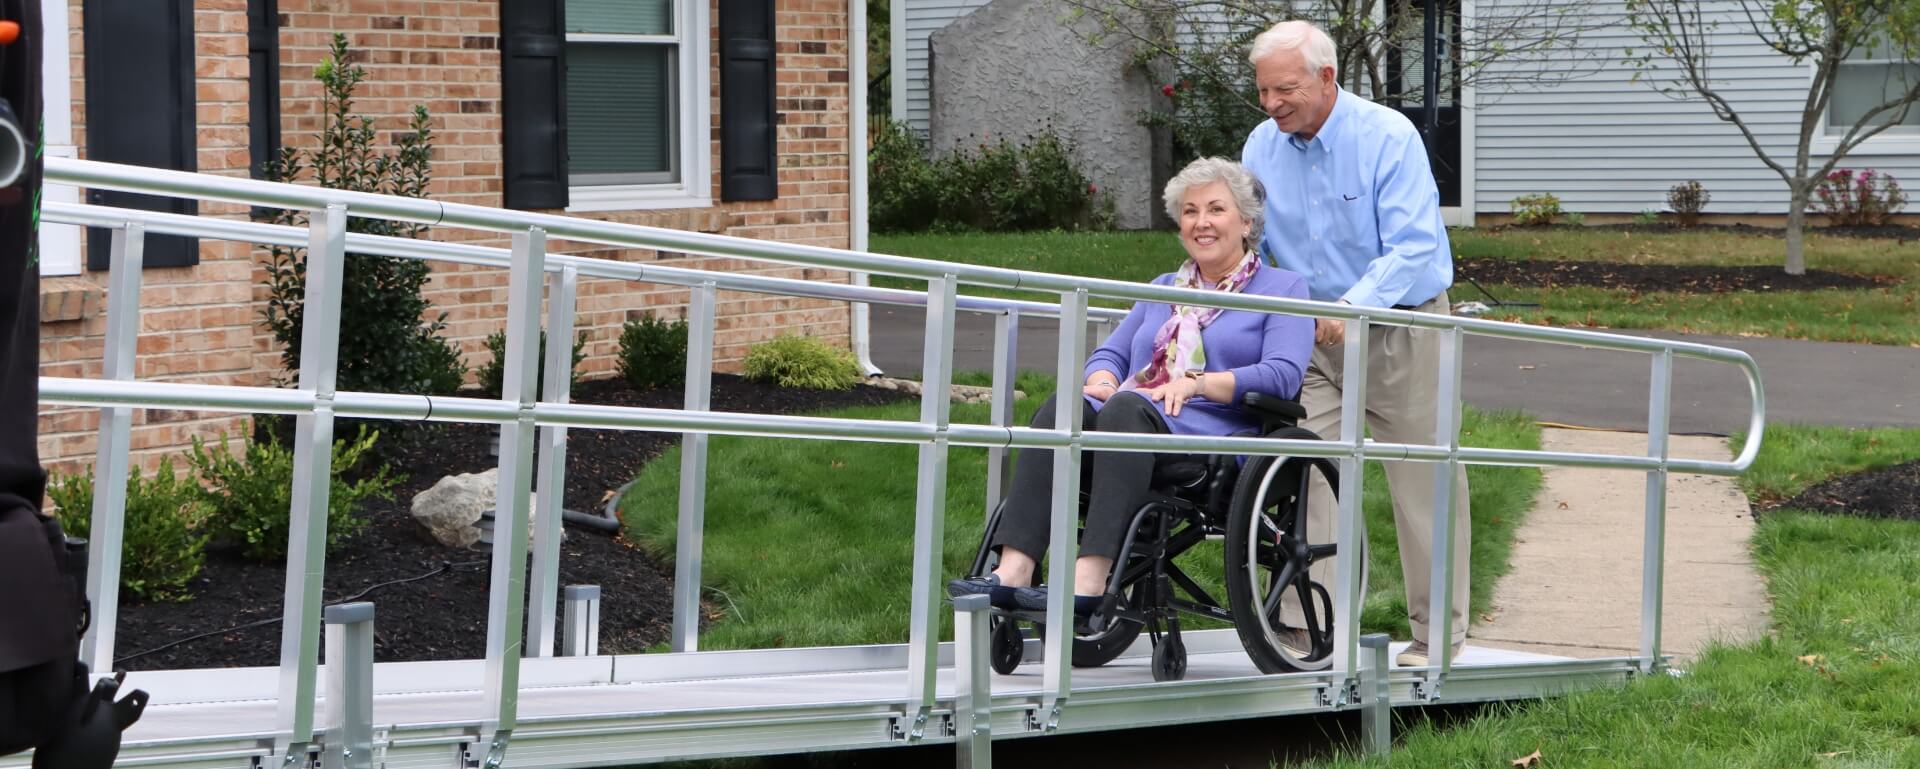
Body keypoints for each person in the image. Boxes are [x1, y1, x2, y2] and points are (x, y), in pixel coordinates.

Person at [948, 157, 1313, 620]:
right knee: (1068, 407)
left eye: (1216, 210)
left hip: (1216, 437)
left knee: (1124, 410)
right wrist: (1100, 379)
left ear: (1246, 221)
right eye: (1190, 211)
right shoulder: (1165, 287)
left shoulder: (1281, 288)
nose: (1201, 222)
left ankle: (1089, 581)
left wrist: (1200, 383)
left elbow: (1283, 373)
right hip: (1141, 415)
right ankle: (1014, 569)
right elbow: (1113, 354)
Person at [1240, 19, 1471, 667]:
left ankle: (1437, 637)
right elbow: (1248, 240)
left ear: (1326, 77)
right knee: (1308, 473)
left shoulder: (1386, 137)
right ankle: (1310, 621)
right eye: (1262, 91)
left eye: (1283, 89)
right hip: (1311, 334)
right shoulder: (1261, 146)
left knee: (1421, 481)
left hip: (1402, 325)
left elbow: (1413, 246)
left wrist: (1355, 304)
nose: (1271, 103)